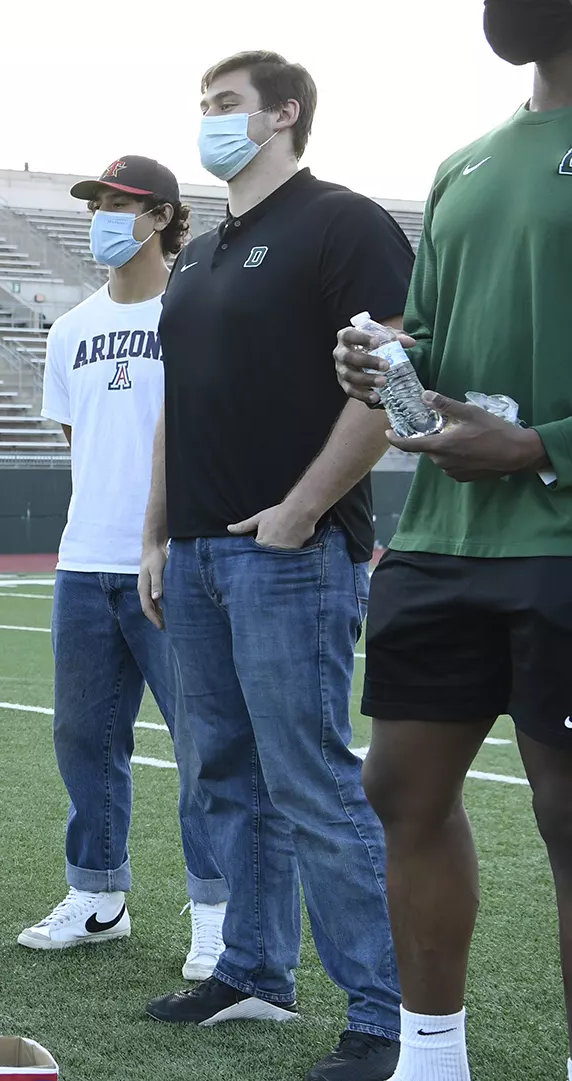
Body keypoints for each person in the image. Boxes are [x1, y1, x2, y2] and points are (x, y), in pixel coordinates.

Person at [138, 53, 409, 1081]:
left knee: (313, 781)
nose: (208, 120)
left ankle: (385, 1014)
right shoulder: (199, 255)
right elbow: (179, 404)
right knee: (223, 773)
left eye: (225, 105)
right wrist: (157, 535)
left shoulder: (342, 221)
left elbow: (395, 373)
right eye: (202, 105)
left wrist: (302, 509)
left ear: (284, 113)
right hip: (198, 552)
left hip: (290, 554)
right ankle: (253, 968)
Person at [331, 5, 572, 1079]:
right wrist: (382, 362)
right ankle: (433, 1060)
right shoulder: (463, 163)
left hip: (563, 535)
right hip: (441, 535)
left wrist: (540, 445)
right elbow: (427, 333)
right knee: (401, 790)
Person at [17, 156, 228, 979]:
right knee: (83, 736)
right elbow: (82, 444)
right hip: (85, 560)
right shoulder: (69, 328)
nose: (103, 215)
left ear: (162, 215)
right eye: (97, 202)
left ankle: (215, 910)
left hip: (178, 556)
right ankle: (98, 894)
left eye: (120, 202)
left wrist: (170, 536)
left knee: (202, 744)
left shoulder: (197, 309)